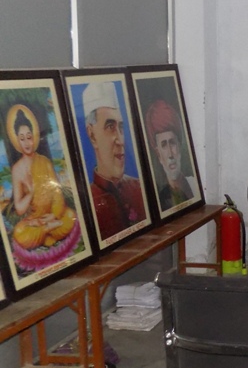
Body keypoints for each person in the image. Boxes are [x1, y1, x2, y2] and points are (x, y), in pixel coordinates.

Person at [7, 105, 77, 250]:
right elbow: (19, 209)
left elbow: (57, 193)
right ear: (17, 141)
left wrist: (54, 215)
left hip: (51, 215)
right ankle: (48, 231)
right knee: (19, 234)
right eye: (22, 139)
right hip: (34, 220)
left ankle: (46, 231)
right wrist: (31, 192)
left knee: (71, 216)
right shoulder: (17, 170)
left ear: (34, 136)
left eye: (29, 137)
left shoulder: (44, 161)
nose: (27, 143)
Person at [83, 82, 147, 236]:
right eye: (110, 127)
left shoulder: (140, 188)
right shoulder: (87, 202)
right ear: (92, 135)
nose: (120, 140)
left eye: (121, 128)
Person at [144, 99, 194, 209]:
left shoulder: (194, 186)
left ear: (179, 146)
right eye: (164, 145)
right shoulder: (159, 202)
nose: (170, 154)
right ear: (158, 154)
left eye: (172, 143)